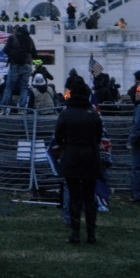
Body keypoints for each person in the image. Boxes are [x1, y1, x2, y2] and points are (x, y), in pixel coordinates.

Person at [53, 75, 104, 244]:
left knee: (74, 196)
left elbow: (58, 136)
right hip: (90, 156)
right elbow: (98, 136)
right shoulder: (93, 114)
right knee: (90, 197)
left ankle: (75, 233)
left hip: (71, 155)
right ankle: (91, 234)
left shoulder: (66, 114)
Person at [0, 26, 37, 110]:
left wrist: (12, 55)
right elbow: (34, 53)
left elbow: (5, 50)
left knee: (9, 87)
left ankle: (4, 107)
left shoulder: (12, 37)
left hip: (15, 64)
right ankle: (22, 108)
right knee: (24, 87)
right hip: (27, 65)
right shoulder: (30, 39)